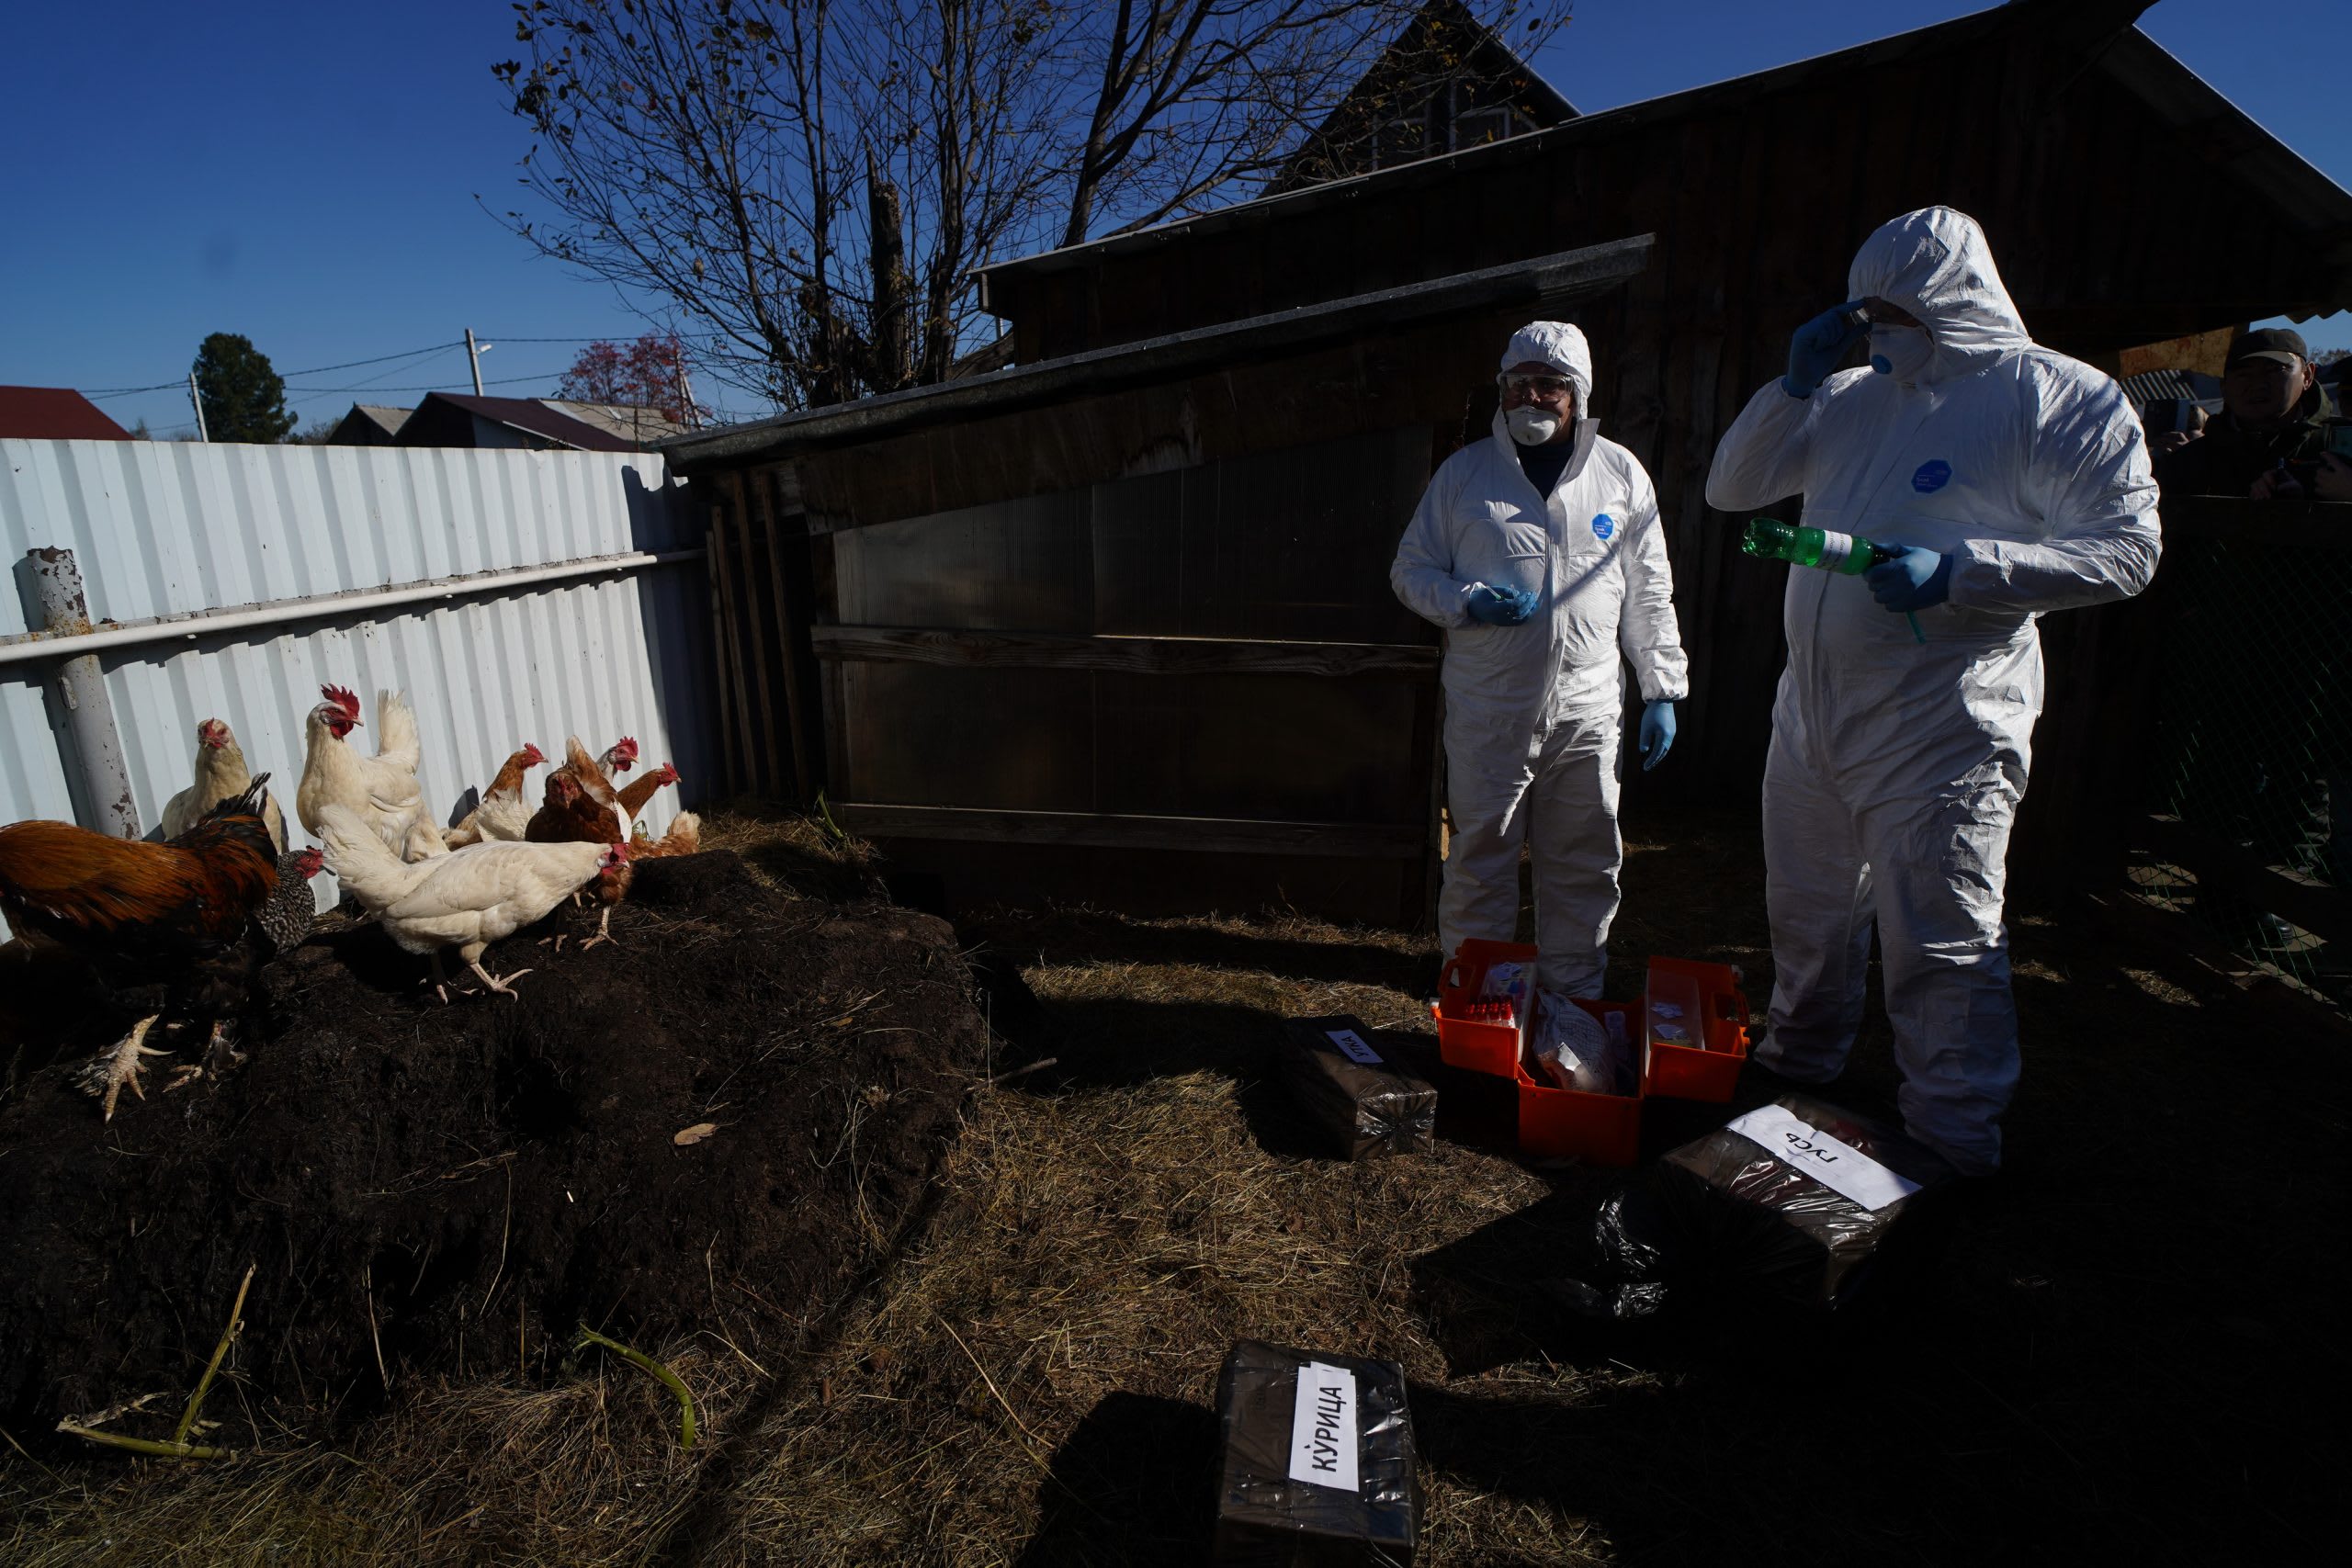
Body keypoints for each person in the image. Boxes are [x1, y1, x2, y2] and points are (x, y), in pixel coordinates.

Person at [1705, 207, 2161, 1176]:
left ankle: (1952, 1135)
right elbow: (1731, 489)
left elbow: (2127, 550)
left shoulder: (2056, 396)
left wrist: (1962, 573)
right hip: (1814, 706)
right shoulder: (1849, 394)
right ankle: (1799, 1059)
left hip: (1944, 716)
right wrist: (1793, 386)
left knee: (1939, 934)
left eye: (1895, 310)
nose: (1877, 327)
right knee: (1808, 905)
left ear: (1953, 300)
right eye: (1864, 310)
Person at [1391, 321, 1687, 1000]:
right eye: (1518, 383)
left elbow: (1649, 587)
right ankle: (1479, 997)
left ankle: (1573, 998)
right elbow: (1410, 570)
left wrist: (1662, 687)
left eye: (1549, 384)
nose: (1531, 396)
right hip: (1489, 707)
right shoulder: (1466, 474)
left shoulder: (1619, 474)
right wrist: (1466, 600)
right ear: (1501, 390)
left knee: (1584, 858)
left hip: (1588, 712)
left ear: (1577, 394)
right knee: (1480, 855)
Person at [2152, 328, 2333, 498]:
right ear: (2224, 387)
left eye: (2275, 370)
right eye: (2244, 374)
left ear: (2307, 375)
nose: (2258, 384)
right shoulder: (2188, 463)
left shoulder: (2336, 448)